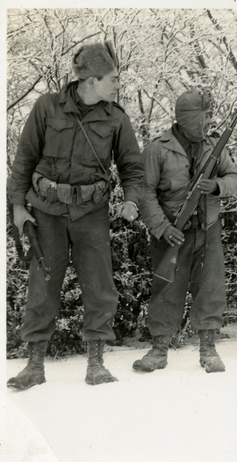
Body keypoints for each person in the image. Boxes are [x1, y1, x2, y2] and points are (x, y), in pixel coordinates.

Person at [7, 42, 143, 390]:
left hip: (90, 213)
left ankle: (96, 364)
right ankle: (34, 366)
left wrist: (130, 200)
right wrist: (19, 207)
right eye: (112, 79)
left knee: (99, 286)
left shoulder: (116, 118)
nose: (117, 85)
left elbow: (132, 167)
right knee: (42, 285)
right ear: (92, 80)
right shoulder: (46, 107)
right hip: (46, 212)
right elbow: (23, 160)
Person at [133, 89, 237, 373]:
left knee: (210, 289)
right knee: (166, 291)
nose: (209, 122)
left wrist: (217, 186)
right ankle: (158, 351)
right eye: (204, 116)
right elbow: (145, 193)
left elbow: (234, 178)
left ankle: (208, 351)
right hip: (170, 233)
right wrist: (162, 228)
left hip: (207, 231)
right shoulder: (157, 149)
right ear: (188, 118)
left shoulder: (214, 146)